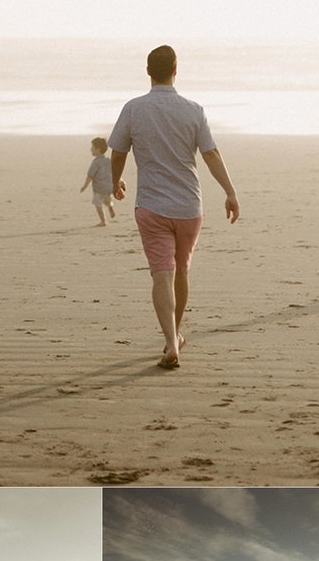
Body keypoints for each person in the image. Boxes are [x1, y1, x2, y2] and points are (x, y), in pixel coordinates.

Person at [109, 46, 239, 368]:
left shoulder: (134, 108)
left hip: (152, 205)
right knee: (181, 271)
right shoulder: (193, 110)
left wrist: (115, 182)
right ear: (176, 70)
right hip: (188, 206)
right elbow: (211, 154)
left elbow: (118, 151)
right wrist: (230, 192)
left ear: (148, 71)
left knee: (161, 275)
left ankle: (171, 342)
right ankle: (176, 334)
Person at [80, 137, 116, 225]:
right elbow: (114, 173)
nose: (90, 150)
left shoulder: (95, 162)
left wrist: (84, 186)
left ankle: (103, 221)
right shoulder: (108, 161)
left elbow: (90, 176)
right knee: (107, 200)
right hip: (109, 187)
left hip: (99, 188)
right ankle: (110, 206)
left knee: (98, 203)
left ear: (98, 149)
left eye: (92, 148)